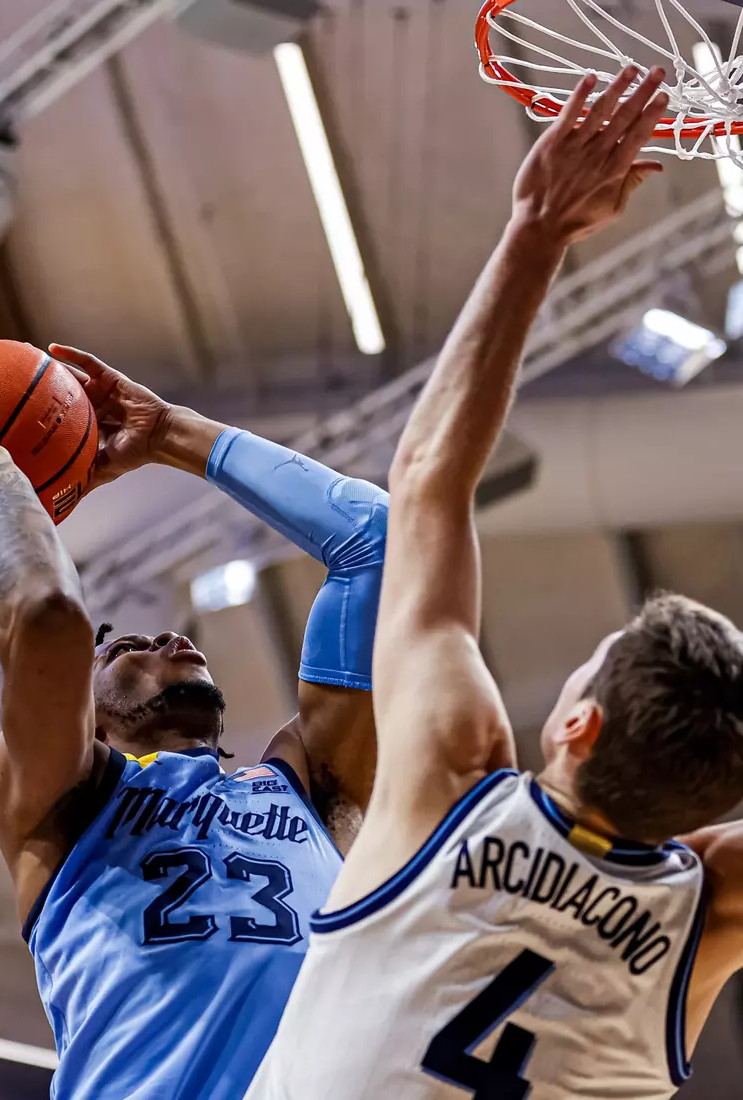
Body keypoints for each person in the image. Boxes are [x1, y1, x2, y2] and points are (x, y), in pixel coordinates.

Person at [246, 66, 743, 1100]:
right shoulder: (713, 906)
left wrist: (537, 229)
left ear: (578, 725)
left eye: (589, 669)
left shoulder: (449, 777)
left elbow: (427, 480)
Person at [0, 360, 387, 1099]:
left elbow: (377, 542)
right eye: (123, 647)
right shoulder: (64, 800)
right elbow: (49, 615)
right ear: (79, 709)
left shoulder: (309, 786)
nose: (169, 639)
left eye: (171, 640)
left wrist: (172, 434)